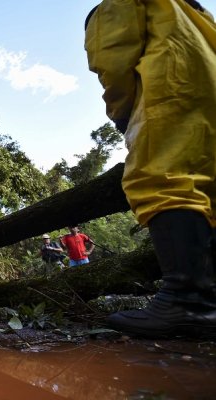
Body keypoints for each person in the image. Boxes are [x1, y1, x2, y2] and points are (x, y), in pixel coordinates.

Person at [85, 0, 216, 338]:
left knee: (161, 179)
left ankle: (186, 301)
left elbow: (112, 59)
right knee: (208, 193)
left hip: (172, 86)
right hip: (209, 92)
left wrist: (123, 114)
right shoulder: (196, 12)